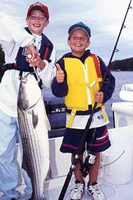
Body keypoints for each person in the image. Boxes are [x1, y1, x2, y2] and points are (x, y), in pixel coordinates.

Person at [52, 22, 115, 200]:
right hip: (75, 118)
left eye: (82, 38)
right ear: (68, 40)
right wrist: (58, 80)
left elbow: (109, 81)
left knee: (96, 151)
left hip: (96, 116)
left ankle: (93, 184)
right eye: (75, 37)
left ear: (88, 42)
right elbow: (58, 92)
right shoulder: (62, 62)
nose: (78, 40)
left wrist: (105, 95)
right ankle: (78, 183)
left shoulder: (96, 60)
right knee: (76, 152)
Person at [0, 2, 56, 200]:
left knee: (31, 155)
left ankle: (35, 194)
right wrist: (27, 42)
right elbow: (2, 19)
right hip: (5, 104)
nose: (37, 20)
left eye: (42, 17)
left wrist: (41, 64)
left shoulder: (49, 47)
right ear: (26, 20)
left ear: (47, 22)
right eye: (33, 16)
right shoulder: (14, 39)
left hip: (32, 108)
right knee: (2, 153)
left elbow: (49, 80)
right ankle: (8, 195)